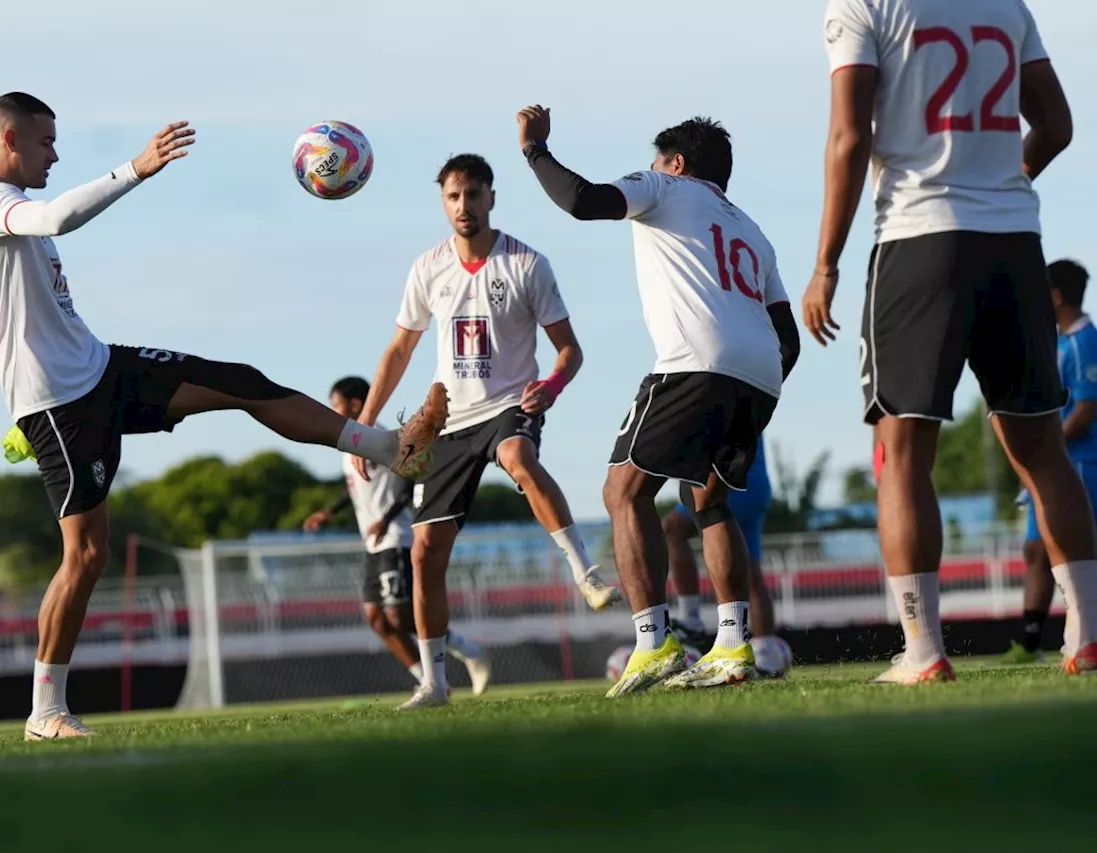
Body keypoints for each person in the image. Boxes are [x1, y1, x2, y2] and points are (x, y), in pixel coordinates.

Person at [0, 92, 450, 740]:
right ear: (10, 140)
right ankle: (46, 709)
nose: (56, 152)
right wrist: (135, 168)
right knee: (88, 554)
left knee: (241, 383)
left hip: (103, 370)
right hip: (57, 403)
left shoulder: (6, 208)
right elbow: (53, 219)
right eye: (46, 142)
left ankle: (381, 446)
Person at [804, 0, 1097, 683]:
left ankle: (923, 650)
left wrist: (825, 261)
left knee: (900, 448)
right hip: (1014, 243)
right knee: (1042, 445)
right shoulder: (1006, 3)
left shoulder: (862, 3)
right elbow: (1056, 125)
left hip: (918, 238)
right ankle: (1088, 637)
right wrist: (1007, 184)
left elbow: (849, 138)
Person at [519, 107, 801, 696]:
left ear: (675, 163)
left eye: (657, 161)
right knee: (711, 502)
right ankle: (732, 645)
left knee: (623, 490)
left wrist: (536, 152)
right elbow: (789, 337)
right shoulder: (752, 228)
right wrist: (755, 383)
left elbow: (583, 201)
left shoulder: (663, 186)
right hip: (761, 374)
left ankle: (653, 643)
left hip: (696, 361)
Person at [353, 153, 621, 710]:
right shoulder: (427, 267)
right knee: (425, 554)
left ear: (492, 197)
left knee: (519, 457)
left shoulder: (527, 264)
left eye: (473, 195)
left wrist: (550, 386)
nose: (463, 206)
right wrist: (363, 425)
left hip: (509, 405)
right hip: (448, 423)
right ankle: (434, 684)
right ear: (442, 202)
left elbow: (569, 350)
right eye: (453, 197)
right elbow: (399, 348)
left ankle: (586, 572)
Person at [304, 376, 491, 694]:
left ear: (355, 405)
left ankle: (468, 651)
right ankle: (427, 681)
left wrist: (385, 519)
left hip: (394, 536)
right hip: (372, 542)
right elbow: (360, 487)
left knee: (400, 615)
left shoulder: (380, 439)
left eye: (336, 404)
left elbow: (407, 481)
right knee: (376, 618)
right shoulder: (347, 445)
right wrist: (329, 512)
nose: (332, 411)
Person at [1002, 260, 1097, 663]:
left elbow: (1085, 410)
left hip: (1083, 459)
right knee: (1036, 548)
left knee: (1087, 548)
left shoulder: (1087, 342)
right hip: (1053, 462)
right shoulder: (1059, 340)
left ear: (1055, 295)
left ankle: (1093, 635)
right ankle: (1030, 643)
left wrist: (1046, 443)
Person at [662, 435, 789, 676]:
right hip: (755, 481)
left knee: (673, 529)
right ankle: (767, 652)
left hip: (729, 479)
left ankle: (690, 621)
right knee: (750, 572)